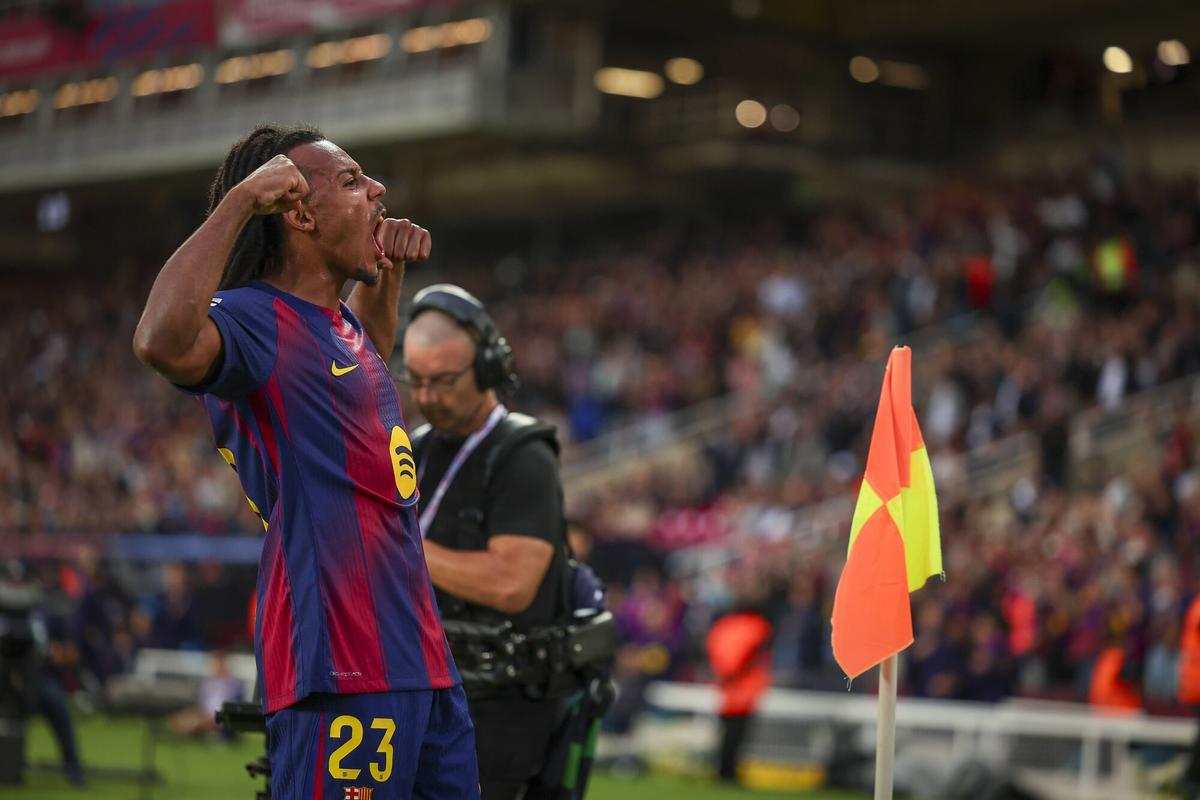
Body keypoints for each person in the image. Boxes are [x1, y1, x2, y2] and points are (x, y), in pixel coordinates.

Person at [132, 124, 477, 799]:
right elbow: (160, 342)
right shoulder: (252, 320)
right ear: (296, 211)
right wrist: (236, 203)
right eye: (352, 181)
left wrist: (387, 268)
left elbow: (360, 362)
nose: (377, 190)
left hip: (421, 660)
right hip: (342, 659)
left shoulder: (337, 325)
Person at [402, 285, 609, 800]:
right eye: (417, 381)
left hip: (499, 704)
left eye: (445, 381)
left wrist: (395, 547)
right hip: (425, 684)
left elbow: (511, 584)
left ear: (491, 367)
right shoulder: (416, 445)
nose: (428, 398)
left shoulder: (524, 455)